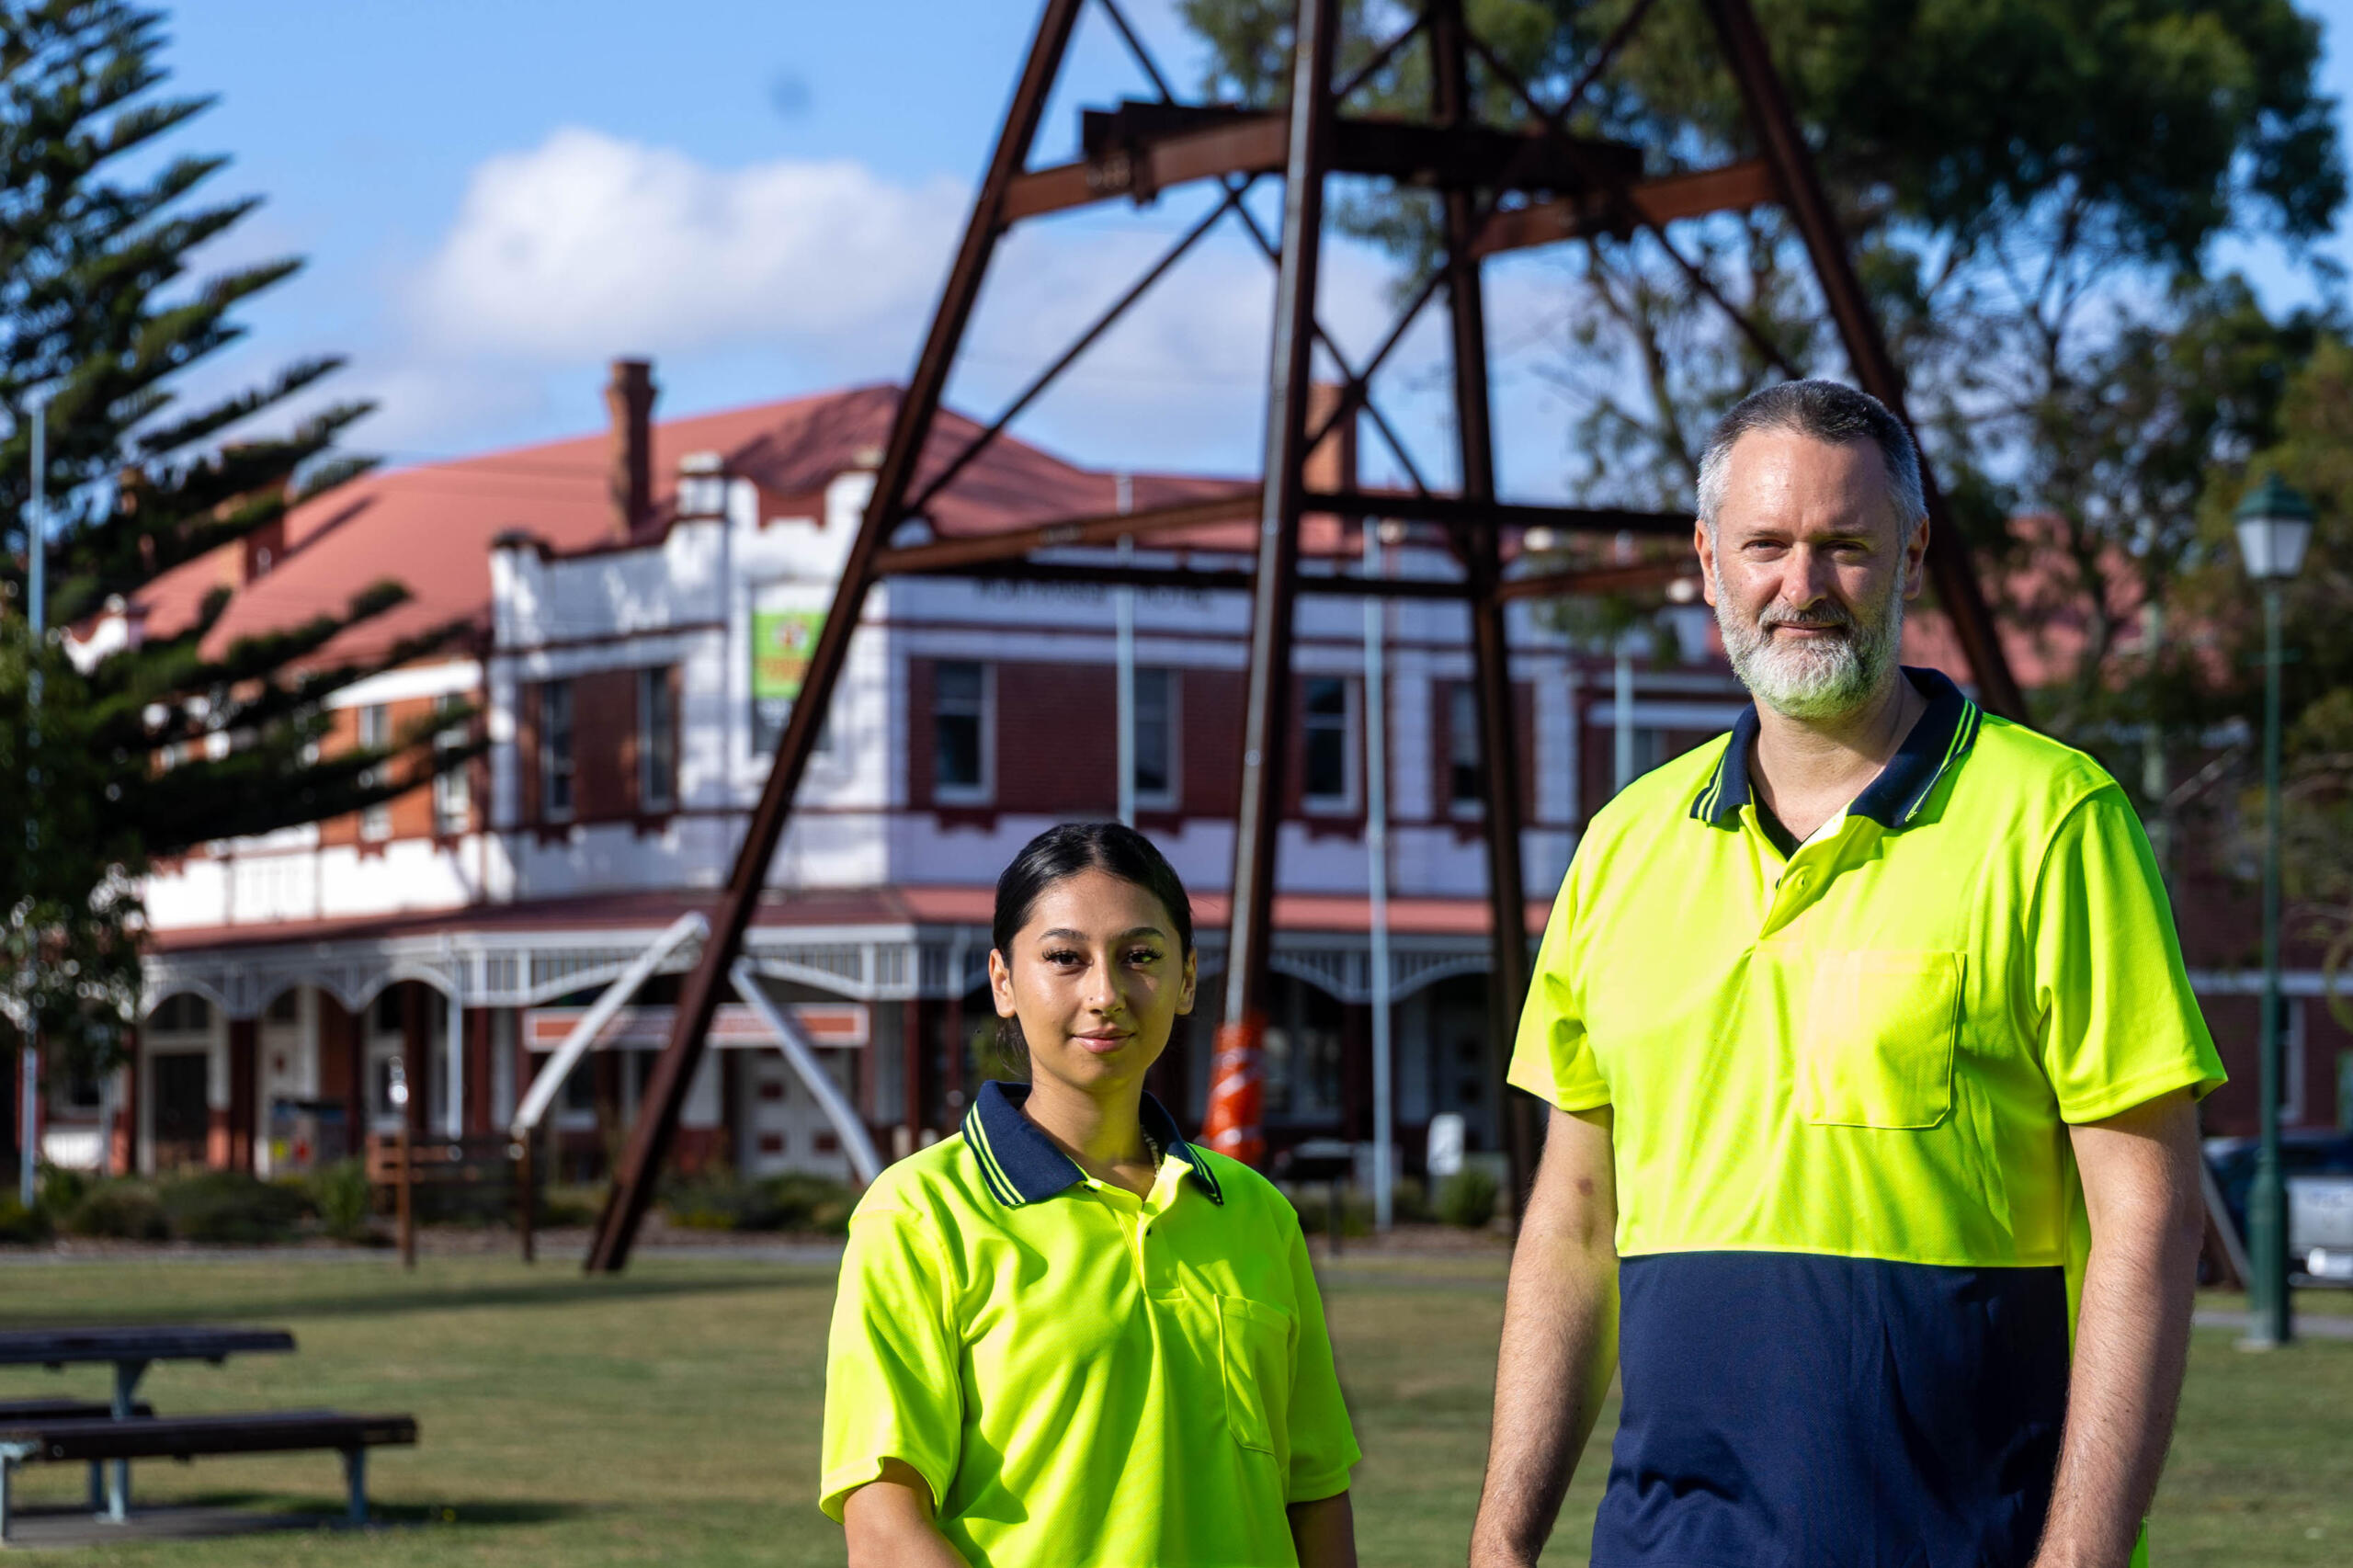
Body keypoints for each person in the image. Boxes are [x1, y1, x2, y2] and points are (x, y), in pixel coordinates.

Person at [1471, 380, 2223, 1568]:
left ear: (1912, 553)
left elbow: (2148, 1210)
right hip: (1663, 1544)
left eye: (1845, 546)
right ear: (1711, 558)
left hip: (1963, 1538)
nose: (1803, 586)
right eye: (1767, 544)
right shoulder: (1623, 845)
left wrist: (2080, 1551)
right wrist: (1503, 1538)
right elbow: (1572, 1221)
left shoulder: (2054, 820)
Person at [822, 822, 1361, 1568]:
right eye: (1064, 959)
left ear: (1188, 980)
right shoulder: (919, 1213)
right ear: (1003, 982)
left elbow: (1315, 1493)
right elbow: (884, 1526)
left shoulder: (1256, 1211)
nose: (1105, 994)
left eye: (1140, 957)